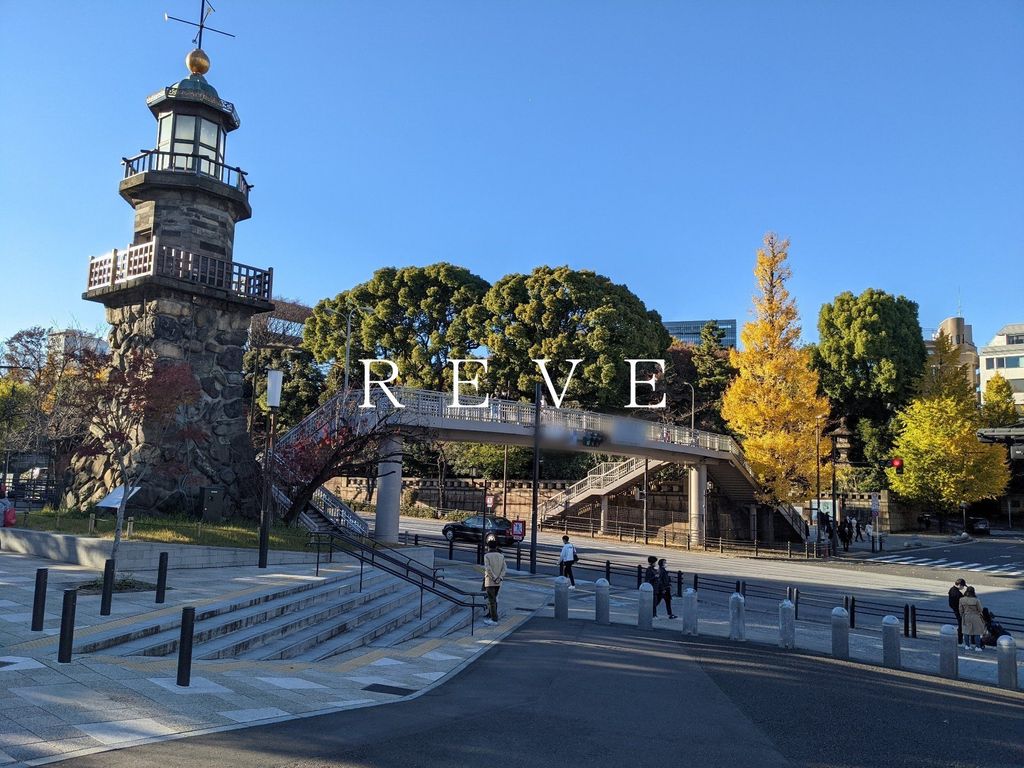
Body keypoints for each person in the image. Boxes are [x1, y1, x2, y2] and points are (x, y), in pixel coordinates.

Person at [482, 538, 507, 626]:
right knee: (495, 599)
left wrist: (494, 577)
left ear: (488, 547)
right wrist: (499, 578)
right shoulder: (501, 556)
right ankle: (493, 616)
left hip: (490, 581)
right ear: (496, 546)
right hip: (499, 582)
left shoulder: (487, 556)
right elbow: (504, 568)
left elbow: (488, 568)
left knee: (491, 600)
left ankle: (494, 619)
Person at [958, 585, 986, 652]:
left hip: (966, 616)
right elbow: (980, 609)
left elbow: (960, 610)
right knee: (977, 632)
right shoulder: (976, 600)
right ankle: (977, 647)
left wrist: (962, 615)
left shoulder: (962, 599)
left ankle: (967, 646)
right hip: (975, 617)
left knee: (966, 631)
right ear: (973, 592)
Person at [948, 578, 966, 644]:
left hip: (955, 609)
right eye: (963, 586)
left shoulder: (952, 589)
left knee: (960, 623)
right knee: (961, 624)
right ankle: (960, 639)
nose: (963, 587)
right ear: (959, 585)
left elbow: (951, 603)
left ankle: (960, 638)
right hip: (958, 610)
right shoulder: (958, 594)